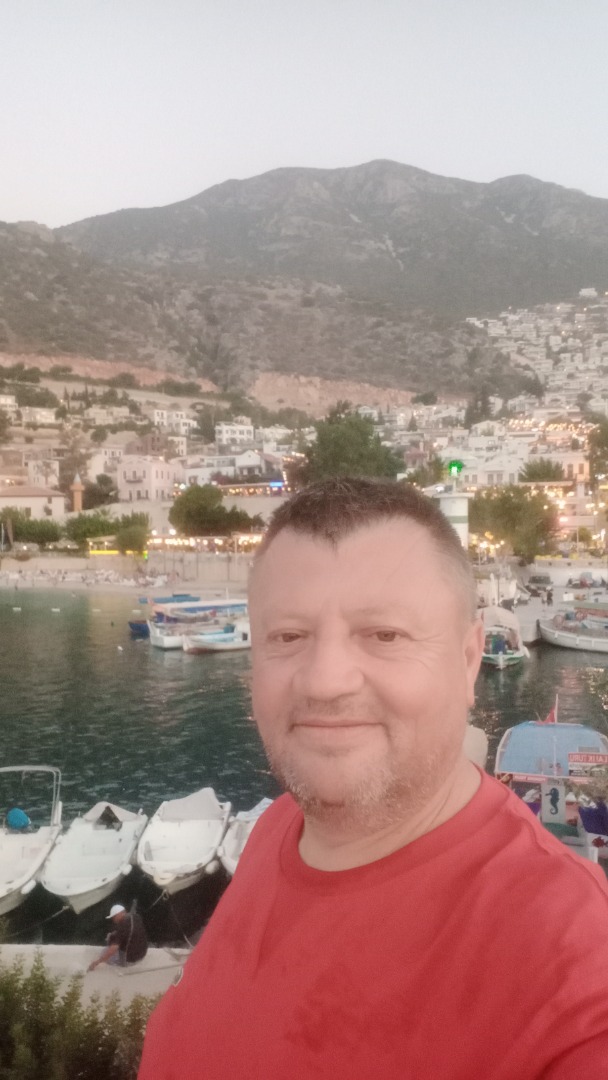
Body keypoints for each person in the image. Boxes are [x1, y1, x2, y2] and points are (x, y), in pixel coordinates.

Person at [139, 477, 608, 1079]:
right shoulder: (277, 828)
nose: (325, 680)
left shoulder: (571, 963)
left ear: (469, 661)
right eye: (288, 636)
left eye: (385, 635)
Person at [88, 904, 148, 971]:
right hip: (142, 955)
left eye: (114, 917)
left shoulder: (121, 928)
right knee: (121, 939)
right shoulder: (136, 917)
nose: (113, 919)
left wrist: (97, 962)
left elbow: (113, 949)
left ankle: (120, 963)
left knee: (104, 951)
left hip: (129, 961)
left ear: (119, 914)